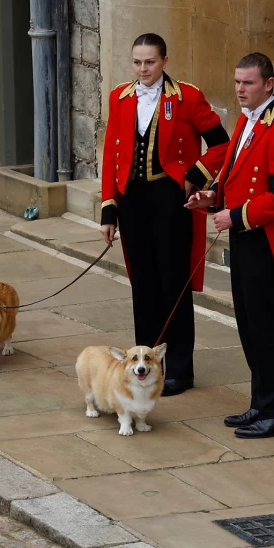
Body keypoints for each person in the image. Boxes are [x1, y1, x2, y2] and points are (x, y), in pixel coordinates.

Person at [100, 33, 229, 396]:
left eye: (150, 62)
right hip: (134, 202)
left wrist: (195, 176)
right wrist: (108, 209)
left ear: (165, 61)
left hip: (171, 200)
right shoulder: (119, 97)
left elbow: (222, 143)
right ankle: (146, 366)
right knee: (142, 284)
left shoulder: (187, 97)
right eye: (137, 62)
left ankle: (181, 371)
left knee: (174, 285)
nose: (143, 69)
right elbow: (111, 155)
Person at [186, 52, 274, 437]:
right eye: (237, 82)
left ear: (269, 84)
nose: (240, 89)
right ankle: (260, 404)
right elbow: (234, 177)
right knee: (250, 327)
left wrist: (235, 216)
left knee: (267, 328)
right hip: (243, 238)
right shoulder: (245, 120)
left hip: (265, 242)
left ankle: (272, 412)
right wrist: (212, 199)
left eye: (248, 83)